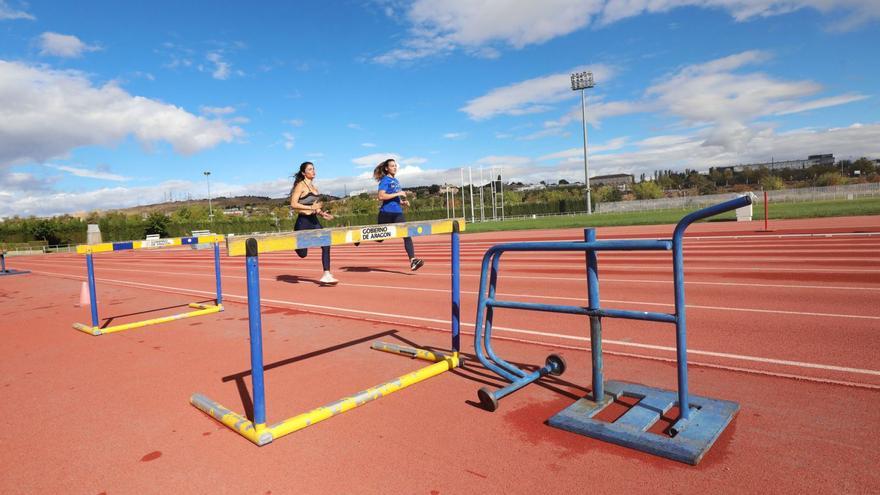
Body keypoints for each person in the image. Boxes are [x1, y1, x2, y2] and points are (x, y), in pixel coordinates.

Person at [290, 161, 338, 285]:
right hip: (303, 222)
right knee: (303, 254)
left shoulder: (315, 188)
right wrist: (311, 208)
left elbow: (315, 207)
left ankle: (326, 274)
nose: (313, 171)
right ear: (303, 173)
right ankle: (293, 242)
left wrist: (322, 213)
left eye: (313, 169)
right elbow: (293, 204)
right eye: (310, 169)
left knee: (326, 243)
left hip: (314, 220)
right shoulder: (300, 185)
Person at [373, 158, 424, 271]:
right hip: (386, 213)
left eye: (395, 166)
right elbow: (381, 196)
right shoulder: (385, 180)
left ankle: (413, 260)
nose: (395, 167)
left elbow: (394, 198)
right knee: (379, 238)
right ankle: (359, 238)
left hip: (397, 213)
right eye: (392, 166)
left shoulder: (396, 181)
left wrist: (402, 202)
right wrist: (399, 193)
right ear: (386, 168)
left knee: (406, 234)